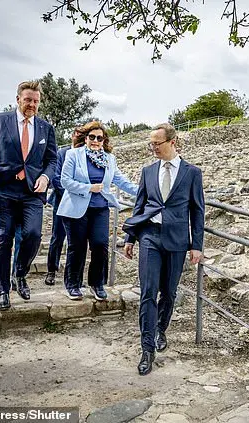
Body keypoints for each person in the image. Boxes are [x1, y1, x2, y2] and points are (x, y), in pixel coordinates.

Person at [123, 123, 204, 376]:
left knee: (168, 293)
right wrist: (130, 238)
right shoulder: (147, 172)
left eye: (157, 143)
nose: (153, 148)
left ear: (172, 142)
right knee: (148, 292)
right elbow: (139, 206)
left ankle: (160, 328)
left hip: (178, 240)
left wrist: (196, 246)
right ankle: (147, 349)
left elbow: (197, 211)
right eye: (151, 144)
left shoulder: (192, 173)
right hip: (150, 237)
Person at [0, 80, 57, 311]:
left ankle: (21, 274)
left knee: (33, 235)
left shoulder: (46, 128)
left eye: (36, 101)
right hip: (3, 190)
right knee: (2, 239)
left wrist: (46, 177)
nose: (32, 104)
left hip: (32, 193)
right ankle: (3, 289)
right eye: (28, 100)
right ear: (18, 99)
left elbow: (52, 160)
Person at [57, 121, 138, 300]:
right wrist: (88, 188)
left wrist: (144, 191)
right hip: (76, 209)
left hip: (100, 208)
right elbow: (65, 181)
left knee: (100, 244)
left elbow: (121, 180)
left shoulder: (110, 159)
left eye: (99, 138)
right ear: (86, 138)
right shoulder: (73, 155)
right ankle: (73, 284)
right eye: (92, 137)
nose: (95, 140)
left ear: (104, 140)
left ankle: (97, 283)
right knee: (77, 247)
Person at [44, 126, 84, 286]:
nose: (80, 138)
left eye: (83, 136)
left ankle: (74, 276)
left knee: (78, 241)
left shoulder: (85, 155)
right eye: (78, 135)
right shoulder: (61, 153)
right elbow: (56, 178)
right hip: (62, 202)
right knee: (57, 238)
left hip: (82, 203)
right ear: (73, 135)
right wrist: (73, 192)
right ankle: (51, 271)